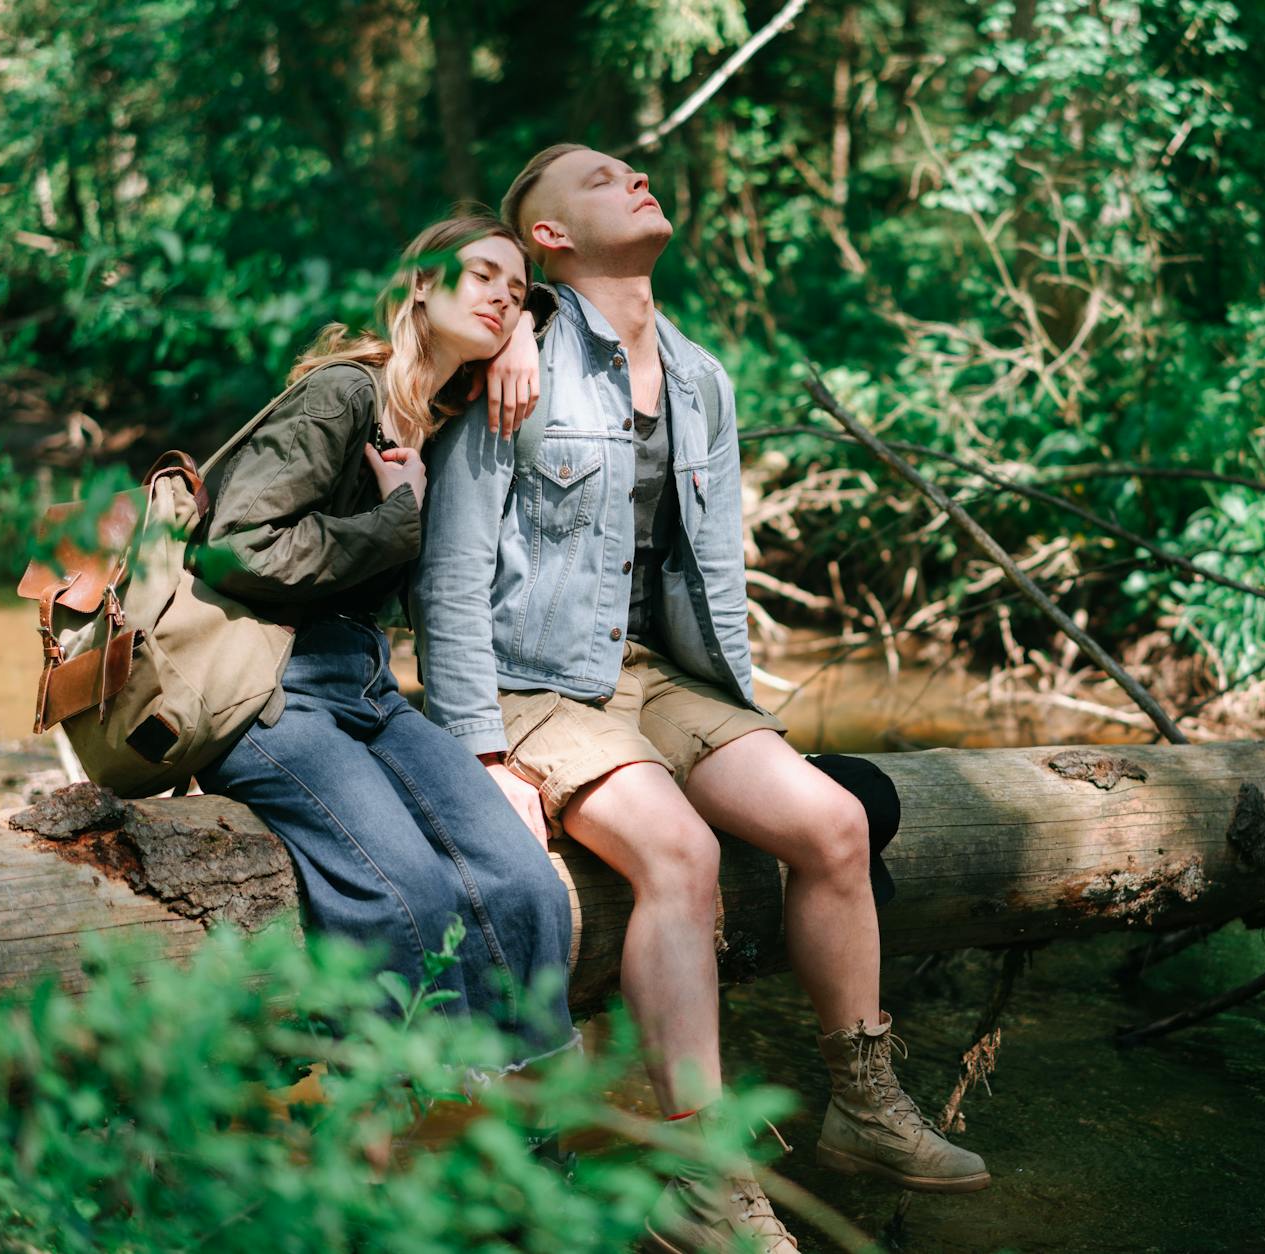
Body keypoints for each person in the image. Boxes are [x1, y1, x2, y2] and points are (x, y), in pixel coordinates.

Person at [415, 148, 987, 1252]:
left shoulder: (700, 377)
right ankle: (701, 1173)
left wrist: (738, 710)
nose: (633, 177)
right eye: (598, 178)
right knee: (678, 851)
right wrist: (476, 749)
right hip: (533, 680)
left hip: (661, 675)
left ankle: (865, 1105)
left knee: (835, 822)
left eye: (631, 169)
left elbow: (710, 568)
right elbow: (449, 570)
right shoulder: (507, 352)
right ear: (547, 238)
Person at [192, 212, 575, 1068]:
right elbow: (233, 546)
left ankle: (535, 1115)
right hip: (267, 689)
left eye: (517, 293)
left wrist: (525, 332)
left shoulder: (441, 410)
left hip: (368, 687)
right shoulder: (343, 393)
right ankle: (420, 1116)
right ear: (423, 284)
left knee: (525, 882)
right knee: (413, 898)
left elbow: (574, 318)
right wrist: (396, 520)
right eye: (482, 277)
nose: (503, 300)